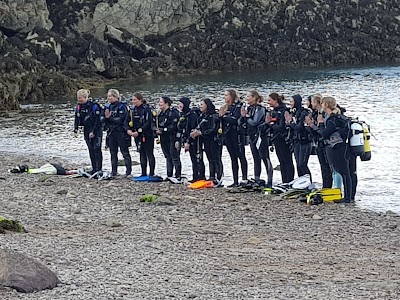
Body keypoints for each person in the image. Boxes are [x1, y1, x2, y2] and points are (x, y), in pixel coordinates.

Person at [317, 96, 352, 203]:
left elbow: (325, 133)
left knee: (344, 171)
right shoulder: (334, 117)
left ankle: (347, 198)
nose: (321, 106)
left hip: (338, 147)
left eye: (322, 104)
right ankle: (347, 196)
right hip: (338, 146)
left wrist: (321, 123)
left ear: (326, 105)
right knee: (342, 171)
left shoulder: (332, 119)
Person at [240, 90, 273, 187]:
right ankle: (257, 178)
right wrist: (243, 117)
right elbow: (241, 122)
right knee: (256, 158)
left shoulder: (260, 109)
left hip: (260, 136)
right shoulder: (249, 108)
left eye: (249, 96)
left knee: (264, 157)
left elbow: (254, 122)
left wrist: (246, 117)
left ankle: (270, 180)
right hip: (251, 136)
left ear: (255, 98)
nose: (247, 98)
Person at [219, 89, 248, 187]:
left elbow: (235, 120)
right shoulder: (225, 107)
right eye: (224, 95)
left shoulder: (238, 106)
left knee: (241, 156)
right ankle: (235, 180)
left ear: (232, 96)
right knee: (233, 158)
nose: (224, 97)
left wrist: (223, 117)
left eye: (226, 95)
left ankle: (244, 179)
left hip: (237, 134)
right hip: (228, 135)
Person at [190, 98, 223, 183]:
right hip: (206, 140)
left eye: (202, 104)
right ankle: (211, 176)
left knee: (216, 159)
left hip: (214, 140)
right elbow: (200, 127)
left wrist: (201, 133)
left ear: (207, 105)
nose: (200, 106)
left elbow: (213, 129)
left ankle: (219, 177)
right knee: (210, 159)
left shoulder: (213, 116)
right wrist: (195, 131)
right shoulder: (202, 116)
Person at [266, 93, 295, 183]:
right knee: (281, 161)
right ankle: (284, 181)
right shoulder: (273, 111)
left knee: (287, 161)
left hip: (284, 139)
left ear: (275, 100)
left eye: (270, 100)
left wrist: (270, 124)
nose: (268, 102)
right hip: (276, 139)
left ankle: (290, 181)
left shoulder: (283, 111)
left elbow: (281, 127)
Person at [305, 93, 333, 188]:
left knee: (326, 166)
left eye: (312, 101)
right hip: (318, 142)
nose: (311, 104)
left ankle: (328, 186)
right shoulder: (315, 113)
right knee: (323, 166)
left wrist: (312, 125)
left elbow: (322, 131)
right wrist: (310, 125)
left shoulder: (322, 114)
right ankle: (325, 185)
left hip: (324, 143)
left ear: (317, 103)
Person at [74, 89, 103, 175]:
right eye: (78, 98)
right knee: (91, 149)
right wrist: (75, 129)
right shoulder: (79, 107)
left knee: (96, 149)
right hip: (86, 130)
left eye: (81, 98)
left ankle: (99, 169)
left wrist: (93, 132)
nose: (79, 100)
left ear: (86, 97)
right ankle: (94, 168)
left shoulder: (94, 106)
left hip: (96, 130)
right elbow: (77, 118)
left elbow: (98, 121)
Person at [126, 92, 155, 177]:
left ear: (140, 100)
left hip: (147, 135)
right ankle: (143, 173)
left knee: (149, 153)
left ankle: (152, 173)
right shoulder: (132, 110)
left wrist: (139, 131)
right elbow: (127, 121)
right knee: (141, 153)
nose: (133, 101)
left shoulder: (147, 109)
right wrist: (129, 131)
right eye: (132, 100)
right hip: (137, 135)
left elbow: (148, 122)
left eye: (135, 100)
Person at [104, 89, 132, 177]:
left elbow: (121, 120)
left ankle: (128, 172)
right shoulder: (108, 106)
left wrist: (109, 118)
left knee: (124, 152)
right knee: (113, 152)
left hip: (121, 132)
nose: (109, 98)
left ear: (116, 97)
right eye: (108, 96)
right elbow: (104, 119)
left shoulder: (122, 106)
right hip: (111, 133)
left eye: (110, 96)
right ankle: (114, 171)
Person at [177, 97, 205, 182]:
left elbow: (193, 129)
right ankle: (195, 176)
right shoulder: (183, 114)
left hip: (196, 140)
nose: (179, 105)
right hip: (188, 139)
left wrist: (188, 142)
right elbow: (182, 129)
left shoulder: (192, 115)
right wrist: (181, 141)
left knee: (198, 158)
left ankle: (201, 176)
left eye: (180, 103)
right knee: (193, 159)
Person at [285, 94, 313, 179]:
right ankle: (301, 182)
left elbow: (299, 128)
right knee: (298, 164)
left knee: (302, 164)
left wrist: (290, 122)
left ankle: (308, 182)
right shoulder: (294, 112)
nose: (290, 103)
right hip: (296, 141)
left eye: (291, 101)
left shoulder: (303, 112)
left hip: (305, 141)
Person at [156, 96, 182, 180]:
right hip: (163, 137)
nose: (159, 104)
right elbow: (157, 124)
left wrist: (163, 130)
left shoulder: (173, 112)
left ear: (166, 103)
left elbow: (174, 126)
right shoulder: (160, 113)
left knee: (174, 156)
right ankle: (169, 175)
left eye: (161, 102)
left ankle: (177, 175)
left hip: (172, 137)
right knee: (167, 156)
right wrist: (156, 130)